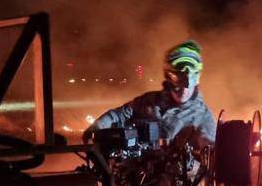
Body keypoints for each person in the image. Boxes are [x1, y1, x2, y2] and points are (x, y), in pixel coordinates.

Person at [84, 40, 217, 145]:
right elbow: (119, 115)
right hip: (135, 174)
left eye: (189, 85)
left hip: (177, 178)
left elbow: (208, 152)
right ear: (169, 80)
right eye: (179, 85)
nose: (184, 91)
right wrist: (96, 127)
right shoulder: (149, 101)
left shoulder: (204, 117)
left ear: (197, 81)